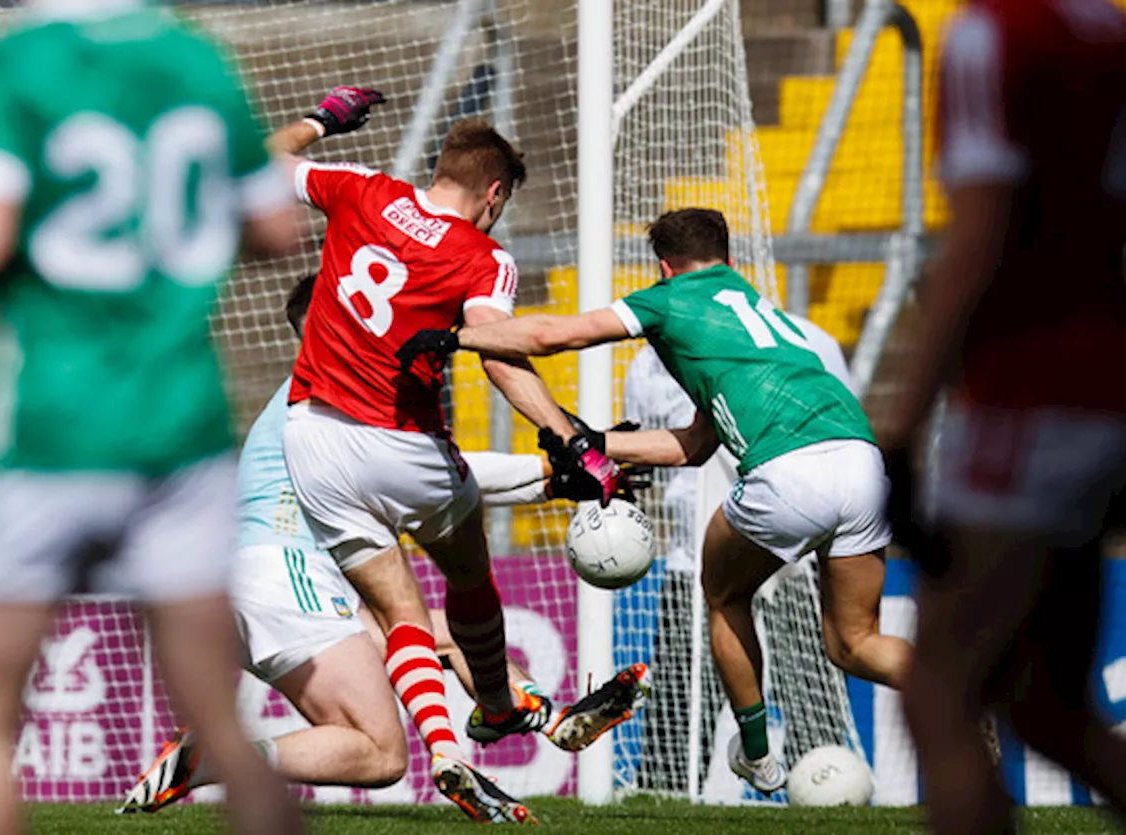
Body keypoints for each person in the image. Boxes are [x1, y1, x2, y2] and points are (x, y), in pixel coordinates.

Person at [0, 2, 308, 834]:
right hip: (182, 432)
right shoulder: (197, 60)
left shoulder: (6, 64)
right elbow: (279, 226)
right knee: (225, 731)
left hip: (43, 434)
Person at [399, 207, 910, 794]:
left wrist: (454, 337)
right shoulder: (764, 315)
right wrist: (593, 442)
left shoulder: (669, 300)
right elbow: (693, 446)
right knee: (855, 643)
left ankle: (760, 757)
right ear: (730, 258)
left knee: (721, 592)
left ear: (664, 268)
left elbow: (551, 336)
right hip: (861, 461)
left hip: (788, 474)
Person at [117, 274, 650, 815]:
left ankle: (549, 720)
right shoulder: (333, 396)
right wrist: (553, 477)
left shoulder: (314, 394)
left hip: (255, 579)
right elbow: (447, 477)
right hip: (284, 577)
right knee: (380, 753)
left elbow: (445, 475)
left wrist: (552, 480)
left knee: (444, 634)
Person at [260, 92, 624, 823]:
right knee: (466, 571)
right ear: (493, 193)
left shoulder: (363, 188)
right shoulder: (484, 257)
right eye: (502, 201)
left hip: (311, 434)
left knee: (398, 611)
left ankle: (447, 757)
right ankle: (493, 706)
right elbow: (498, 352)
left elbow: (265, 164)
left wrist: (325, 118)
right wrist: (566, 433)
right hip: (400, 440)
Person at [880, 1, 1126, 831]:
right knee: (1047, 706)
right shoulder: (1113, 36)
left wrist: (906, 426)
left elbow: (982, 232)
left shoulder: (996, 32)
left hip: (1032, 391)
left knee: (938, 690)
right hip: (1106, 385)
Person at [628, 315, 854, 793]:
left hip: (797, 556)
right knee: (677, 716)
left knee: (816, 705)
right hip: (698, 558)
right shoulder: (647, 363)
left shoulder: (810, 338)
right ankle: (664, 797)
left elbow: (843, 436)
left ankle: (829, 793)